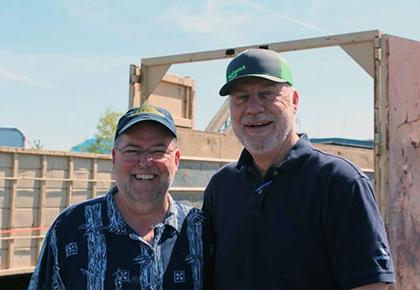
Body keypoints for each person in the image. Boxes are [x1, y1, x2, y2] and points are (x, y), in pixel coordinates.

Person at [202, 48, 395, 290]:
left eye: (267, 94)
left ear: (294, 102)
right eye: (241, 97)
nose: (253, 108)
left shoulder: (339, 183)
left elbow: (370, 285)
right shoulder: (222, 186)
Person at [29, 104, 209, 290]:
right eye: (133, 150)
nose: (145, 162)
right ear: (114, 158)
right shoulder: (69, 229)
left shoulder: (200, 229)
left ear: (176, 160)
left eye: (158, 151)